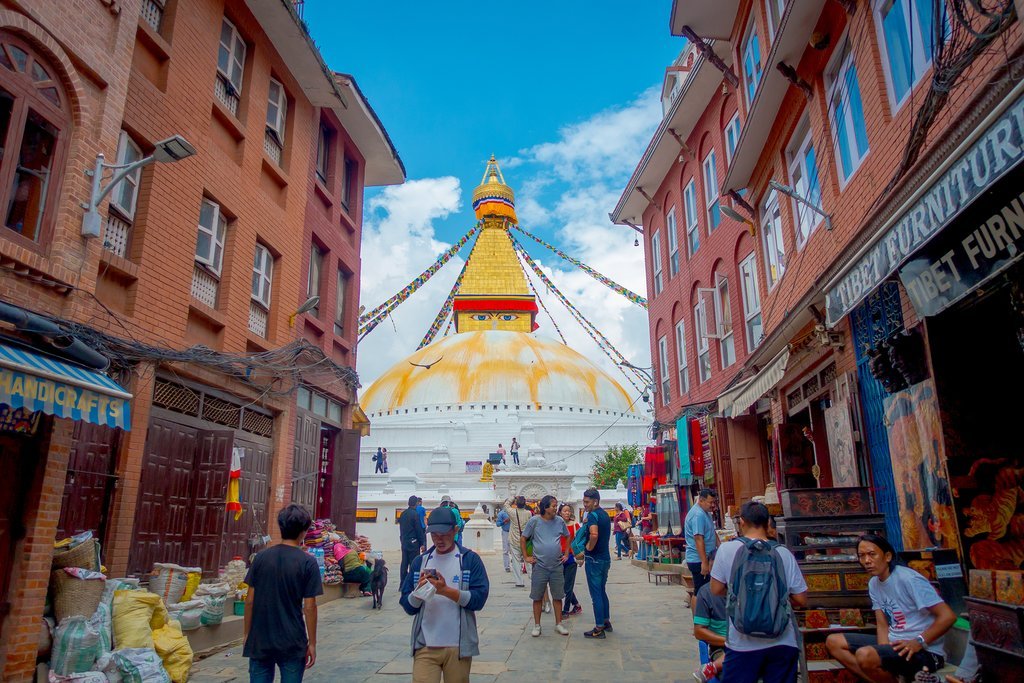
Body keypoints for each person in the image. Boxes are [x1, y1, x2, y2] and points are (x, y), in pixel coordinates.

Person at [826, 534, 955, 682]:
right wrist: (882, 654)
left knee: (864, 655)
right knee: (834, 642)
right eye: (861, 556)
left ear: (887, 556)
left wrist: (918, 641)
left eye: (872, 554)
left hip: (925, 651)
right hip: (895, 644)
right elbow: (882, 625)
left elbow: (948, 616)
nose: (866, 561)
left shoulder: (908, 579)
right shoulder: (874, 583)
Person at [710, 501, 808, 683]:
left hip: (741, 642)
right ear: (767, 523)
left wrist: (740, 595)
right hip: (782, 640)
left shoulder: (726, 550)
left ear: (742, 522)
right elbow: (801, 599)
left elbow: (715, 589)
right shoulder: (784, 553)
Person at [400, 506, 490, 683]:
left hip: (458, 646)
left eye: (444, 534)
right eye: (434, 535)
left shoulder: (469, 560)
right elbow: (407, 604)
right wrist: (419, 592)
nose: (439, 540)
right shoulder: (420, 562)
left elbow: (479, 599)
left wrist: (446, 591)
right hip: (425, 644)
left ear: (455, 530)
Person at [244, 504, 322, 682]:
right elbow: (310, 607)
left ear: (281, 527)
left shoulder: (260, 558)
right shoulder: (307, 563)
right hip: (292, 640)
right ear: (304, 531)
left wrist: (247, 634)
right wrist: (312, 643)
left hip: (260, 639)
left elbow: (249, 601)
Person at [521, 495, 570, 636]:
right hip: (540, 565)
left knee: (558, 596)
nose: (556, 508)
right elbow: (523, 538)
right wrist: (526, 557)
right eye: (553, 506)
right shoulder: (534, 521)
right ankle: (537, 625)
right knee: (537, 597)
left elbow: (567, 536)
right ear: (545, 507)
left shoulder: (559, 521)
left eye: (556, 506)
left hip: (556, 565)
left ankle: (558, 623)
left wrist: (566, 553)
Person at [576, 487, 612, 639]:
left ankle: (599, 627)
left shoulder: (593, 516)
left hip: (594, 559)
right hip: (605, 558)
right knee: (602, 590)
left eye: (587, 502)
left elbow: (594, 534)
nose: (585, 504)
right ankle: (606, 620)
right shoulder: (604, 514)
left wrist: (588, 548)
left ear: (595, 501)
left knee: (595, 593)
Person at [692, 555, 727, 682]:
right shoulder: (706, 593)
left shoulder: (744, 590)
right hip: (722, 648)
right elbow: (699, 631)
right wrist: (730, 642)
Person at [685, 489, 719, 596]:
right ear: (701, 500)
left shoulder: (705, 512)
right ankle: (698, 612)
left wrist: (720, 547)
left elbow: (712, 532)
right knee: (700, 592)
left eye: (714, 502)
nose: (713, 505)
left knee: (707, 590)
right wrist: (704, 563)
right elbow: (698, 538)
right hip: (698, 560)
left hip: (707, 558)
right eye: (710, 502)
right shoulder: (698, 515)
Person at [558, 502, 583, 618]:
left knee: (568, 585)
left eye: (568, 511)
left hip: (571, 557)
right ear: (560, 512)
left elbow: (581, 540)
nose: (567, 513)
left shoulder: (575, 525)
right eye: (564, 511)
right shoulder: (556, 524)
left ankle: (566, 609)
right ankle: (576, 604)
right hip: (558, 557)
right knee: (563, 584)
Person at [505, 496, 532, 588]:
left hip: (514, 540)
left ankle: (519, 581)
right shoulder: (528, 513)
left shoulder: (512, 512)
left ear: (516, 504)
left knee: (516, 561)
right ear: (525, 504)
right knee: (528, 560)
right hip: (525, 540)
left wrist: (513, 497)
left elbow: (506, 505)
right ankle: (532, 577)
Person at [400, 495, 427, 584]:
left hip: (404, 541)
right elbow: (418, 529)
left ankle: (402, 582)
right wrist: (422, 542)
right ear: (416, 503)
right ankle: (412, 582)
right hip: (413, 541)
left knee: (404, 562)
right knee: (414, 563)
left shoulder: (403, 514)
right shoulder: (415, 514)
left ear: (408, 503)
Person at [495, 506, 511, 572]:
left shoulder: (514, 512)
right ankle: (507, 566)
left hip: (514, 532)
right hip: (506, 532)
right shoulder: (501, 513)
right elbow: (497, 524)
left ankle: (517, 566)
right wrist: (504, 522)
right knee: (505, 550)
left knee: (516, 550)